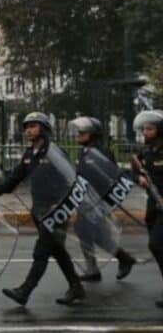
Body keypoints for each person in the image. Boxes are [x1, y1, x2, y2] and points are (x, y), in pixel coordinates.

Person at [0, 112, 85, 306]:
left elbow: (70, 179)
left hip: (56, 211)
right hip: (39, 210)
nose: (28, 130)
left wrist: (62, 204)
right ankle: (76, 287)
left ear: (44, 128)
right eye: (27, 127)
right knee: (57, 251)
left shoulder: (55, 152)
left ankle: (25, 291)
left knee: (41, 251)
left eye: (33, 126)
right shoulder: (30, 154)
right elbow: (16, 177)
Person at [69, 116, 136, 282]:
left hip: (99, 201)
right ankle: (114, 262)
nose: (78, 134)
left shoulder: (102, 152)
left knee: (88, 233)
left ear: (93, 134)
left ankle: (103, 267)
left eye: (82, 132)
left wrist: (102, 202)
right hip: (85, 200)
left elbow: (111, 177)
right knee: (89, 234)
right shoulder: (83, 151)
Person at [131, 110, 163, 307]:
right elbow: (134, 168)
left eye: (149, 128)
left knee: (156, 244)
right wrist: (139, 178)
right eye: (144, 128)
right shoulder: (147, 151)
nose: (145, 132)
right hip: (153, 204)